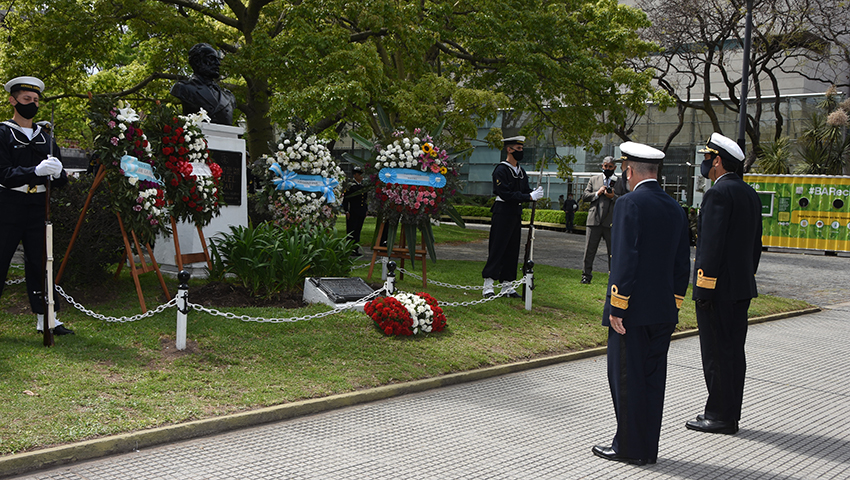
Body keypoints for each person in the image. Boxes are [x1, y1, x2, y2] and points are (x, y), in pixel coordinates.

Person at [592, 142, 690, 466]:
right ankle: (647, 448)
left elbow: (624, 259)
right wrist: (674, 302)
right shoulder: (675, 208)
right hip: (663, 310)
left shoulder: (629, 203)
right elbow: (681, 264)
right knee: (651, 382)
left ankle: (628, 448)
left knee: (626, 380)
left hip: (631, 313)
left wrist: (617, 306)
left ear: (629, 170)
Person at [686, 133, 762, 435]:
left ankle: (718, 415)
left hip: (717, 291)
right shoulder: (749, 193)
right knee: (733, 353)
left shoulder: (718, 194)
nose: (705, 164)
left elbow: (711, 247)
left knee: (716, 354)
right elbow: (755, 245)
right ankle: (730, 413)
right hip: (740, 288)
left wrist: (703, 289)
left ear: (717, 161)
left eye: (707, 158)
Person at [0, 76, 73, 335]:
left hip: (37, 205)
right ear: (13, 100)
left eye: (35, 101)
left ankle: (47, 319)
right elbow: (4, 174)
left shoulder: (45, 136)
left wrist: (56, 173)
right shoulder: (3, 133)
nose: (32, 104)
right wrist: (36, 170)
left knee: (41, 262)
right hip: (8, 205)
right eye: (26, 99)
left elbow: (62, 179)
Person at [481, 136, 544, 298]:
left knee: (512, 249)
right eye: (518, 149)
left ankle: (507, 285)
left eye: (521, 149)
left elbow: (524, 191)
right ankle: (488, 284)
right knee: (497, 248)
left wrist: (532, 194)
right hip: (502, 211)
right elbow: (506, 194)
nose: (520, 152)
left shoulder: (521, 172)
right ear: (509, 149)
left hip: (515, 214)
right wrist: (529, 197)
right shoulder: (501, 170)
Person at [580, 156, 626, 284]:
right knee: (589, 250)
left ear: (614, 168)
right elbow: (584, 196)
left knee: (613, 252)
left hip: (611, 222)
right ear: (602, 166)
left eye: (610, 167)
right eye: (605, 166)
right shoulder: (594, 179)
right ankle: (586, 275)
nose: (607, 169)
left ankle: (613, 277)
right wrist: (597, 193)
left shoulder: (620, 182)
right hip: (594, 220)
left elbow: (626, 199)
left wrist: (613, 196)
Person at [170, 43, 236, 125]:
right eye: (211, 58)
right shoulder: (183, 88)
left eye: (218, 59)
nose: (218, 63)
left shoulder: (228, 96)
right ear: (197, 61)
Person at [342, 166, 368, 256]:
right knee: (351, 231)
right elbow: (346, 199)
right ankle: (349, 248)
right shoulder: (351, 186)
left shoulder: (362, 186)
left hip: (360, 212)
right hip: (353, 212)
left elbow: (364, 200)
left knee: (358, 231)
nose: (361, 176)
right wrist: (346, 211)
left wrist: (365, 210)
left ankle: (355, 249)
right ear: (355, 175)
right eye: (359, 174)